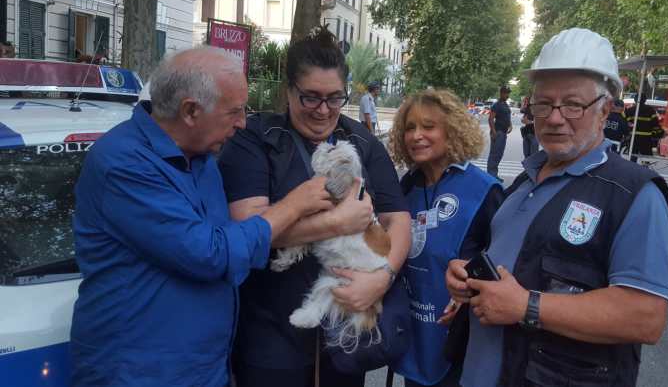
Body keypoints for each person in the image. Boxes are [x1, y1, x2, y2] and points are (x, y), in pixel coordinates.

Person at [69, 47, 334, 386]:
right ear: (191, 111)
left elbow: (231, 240)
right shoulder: (123, 164)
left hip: (205, 368)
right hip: (141, 373)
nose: (242, 122)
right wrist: (294, 204)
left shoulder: (202, 156)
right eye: (235, 112)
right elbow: (210, 253)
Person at [444, 28, 668, 387]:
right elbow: (510, 267)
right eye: (543, 104)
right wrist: (468, 281)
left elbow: (646, 316)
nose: (553, 117)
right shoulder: (524, 182)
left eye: (572, 104)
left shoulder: (634, 194)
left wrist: (525, 306)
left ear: (604, 110)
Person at [217, 27, 411, 387]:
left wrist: (382, 278)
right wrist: (336, 222)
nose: (324, 111)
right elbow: (248, 227)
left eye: (335, 98)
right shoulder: (256, 139)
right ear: (288, 90)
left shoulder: (362, 143)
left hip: (344, 333)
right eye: (311, 98)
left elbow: (397, 218)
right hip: (270, 336)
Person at [387, 89, 503, 387]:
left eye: (428, 126)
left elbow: (502, 263)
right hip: (413, 329)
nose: (416, 135)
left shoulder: (485, 191)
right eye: (410, 127)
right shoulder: (407, 186)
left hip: (462, 338)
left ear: (451, 131)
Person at [487, 85, 512, 179]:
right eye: (506, 93)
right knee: (494, 154)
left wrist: (510, 125)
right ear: (501, 93)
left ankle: (494, 174)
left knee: (499, 154)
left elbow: (507, 116)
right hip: (498, 132)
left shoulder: (505, 104)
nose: (507, 95)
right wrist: (493, 132)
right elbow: (490, 119)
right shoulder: (496, 105)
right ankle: (491, 176)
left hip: (504, 132)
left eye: (508, 93)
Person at [627, 91, 663, 156]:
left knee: (632, 157)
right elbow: (656, 125)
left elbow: (625, 124)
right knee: (646, 159)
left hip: (633, 139)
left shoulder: (629, 110)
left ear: (635, 100)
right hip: (646, 139)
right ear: (645, 100)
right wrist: (658, 133)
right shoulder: (650, 110)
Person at [520, 93, 539, 158]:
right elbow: (523, 116)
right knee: (526, 155)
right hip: (526, 134)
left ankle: (531, 168)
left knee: (533, 156)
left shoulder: (538, 108)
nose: (526, 100)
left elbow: (542, 121)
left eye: (527, 99)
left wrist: (530, 122)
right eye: (526, 99)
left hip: (534, 135)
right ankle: (527, 168)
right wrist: (523, 120)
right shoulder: (527, 108)